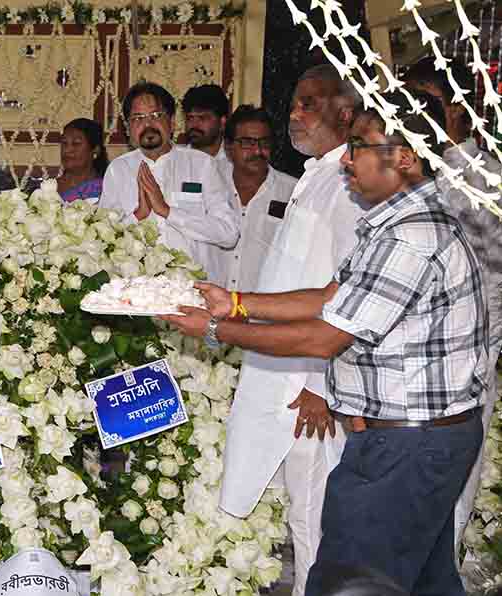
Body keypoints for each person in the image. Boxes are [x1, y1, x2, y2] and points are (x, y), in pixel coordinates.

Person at [162, 92, 487, 596]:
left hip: (407, 445)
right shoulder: (396, 223)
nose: (349, 158)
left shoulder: (411, 235)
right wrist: (236, 303)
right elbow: (329, 296)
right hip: (411, 438)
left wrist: (213, 329)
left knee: (346, 581)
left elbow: (325, 336)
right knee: (422, 581)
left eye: (361, 145)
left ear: (405, 157)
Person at [214, 64, 365, 596]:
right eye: (295, 103)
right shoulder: (315, 175)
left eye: (310, 103)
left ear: (345, 113)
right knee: (289, 518)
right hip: (278, 372)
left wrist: (321, 386)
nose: (296, 113)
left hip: (309, 387)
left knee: (313, 522)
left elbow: (346, 294)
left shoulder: (349, 182)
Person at [404, 56, 502, 552]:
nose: (416, 114)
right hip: (405, 369)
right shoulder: (409, 168)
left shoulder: (481, 179)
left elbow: (491, 280)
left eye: (429, 104)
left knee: (451, 496)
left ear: (460, 111)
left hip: (463, 364)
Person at [98, 82, 238, 276]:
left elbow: (228, 234)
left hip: (193, 292)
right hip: (137, 293)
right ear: (128, 127)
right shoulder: (118, 169)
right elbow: (103, 240)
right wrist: (138, 215)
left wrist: (168, 211)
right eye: (138, 118)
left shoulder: (202, 165)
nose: (147, 125)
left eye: (156, 116)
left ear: (172, 122)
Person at [211, 105, 297, 291]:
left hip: (263, 313)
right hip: (208, 307)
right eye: (248, 143)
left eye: (264, 143)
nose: (258, 151)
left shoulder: (293, 192)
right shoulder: (210, 184)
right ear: (228, 146)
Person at [57, 117, 108, 203]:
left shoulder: (104, 191)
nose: (67, 150)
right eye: (64, 143)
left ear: (95, 150)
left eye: (76, 143)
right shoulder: (48, 188)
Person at [181, 84, 231, 165]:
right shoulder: (175, 160)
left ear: (222, 122)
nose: (194, 125)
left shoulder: (234, 162)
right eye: (190, 118)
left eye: (202, 118)